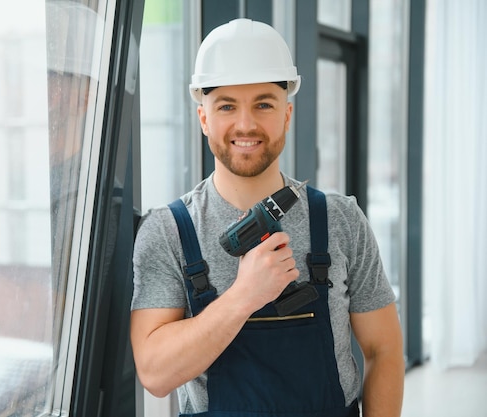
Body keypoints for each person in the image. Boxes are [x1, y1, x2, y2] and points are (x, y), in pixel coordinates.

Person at [130, 18, 404, 417]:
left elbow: (384, 350)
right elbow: (155, 374)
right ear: (204, 117)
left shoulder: (341, 220)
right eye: (226, 106)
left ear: (287, 114)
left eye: (263, 104)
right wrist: (245, 296)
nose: (245, 124)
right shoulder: (168, 232)